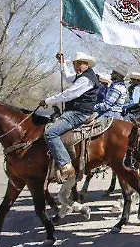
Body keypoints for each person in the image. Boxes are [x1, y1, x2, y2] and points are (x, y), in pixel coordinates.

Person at [41, 52, 101, 182]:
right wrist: (62, 63)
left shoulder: (86, 79)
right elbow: (68, 78)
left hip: (78, 113)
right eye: (75, 64)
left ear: (87, 64)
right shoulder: (82, 76)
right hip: (77, 111)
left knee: (50, 133)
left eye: (80, 64)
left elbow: (69, 94)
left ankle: (65, 165)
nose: (76, 66)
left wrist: (48, 101)